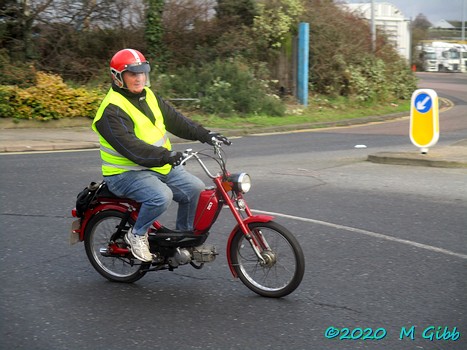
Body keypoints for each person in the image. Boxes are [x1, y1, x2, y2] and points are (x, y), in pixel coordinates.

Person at [92, 48, 228, 262]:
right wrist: (167, 155)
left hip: (157, 166)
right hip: (124, 174)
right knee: (160, 196)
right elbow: (132, 149)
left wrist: (206, 135)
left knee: (195, 189)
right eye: (132, 74)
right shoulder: (111, 111)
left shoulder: (149, 96)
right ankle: (136, 235)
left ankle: (183, 243)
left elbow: (176, 121)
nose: (139, 78)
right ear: (117, 77)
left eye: (142, 72)